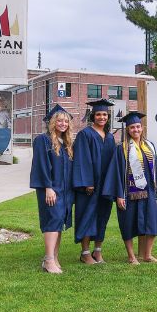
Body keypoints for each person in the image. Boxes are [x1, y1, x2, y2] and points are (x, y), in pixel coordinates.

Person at [103, 112, 157, 264]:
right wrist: (119, 195)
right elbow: (116, 173)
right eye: (132, 127)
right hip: (129, 193)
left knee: (153, 222)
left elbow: (155, 168)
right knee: (128, 223)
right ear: (128, 130)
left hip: (149, 191)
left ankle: (147, 255)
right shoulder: (122, 149)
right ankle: (131, 256)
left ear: (142, 128)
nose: (135, 130)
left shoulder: (150, 146)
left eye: (138, 127)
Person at [29, 104, 74, 274]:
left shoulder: (66, 143)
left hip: (64, 190)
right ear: (53, 122)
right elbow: (41, 165)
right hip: (51, 189)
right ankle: (48, 260)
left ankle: (55, 257)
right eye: (59, 121)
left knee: (59, 222)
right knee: (52, 220)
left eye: (66, 121)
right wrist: (48, 187)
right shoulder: (43, 140)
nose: (63, 124)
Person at [72, 99, 116, 264]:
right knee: (87, 216)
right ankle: (85, 253)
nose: (102, 117)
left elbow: (113, 162)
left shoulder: (110, 137)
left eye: (104, 114)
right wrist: (87, 182)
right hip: (89, 187)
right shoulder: (85, 134)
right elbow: (82, 160)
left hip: (105, 186)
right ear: (93, 116)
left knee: (102, 216)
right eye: (98, 114)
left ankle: (97, 251)